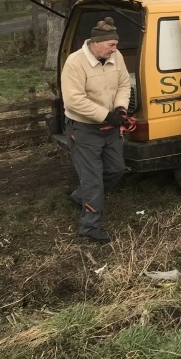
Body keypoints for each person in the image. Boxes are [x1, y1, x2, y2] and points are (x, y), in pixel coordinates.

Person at [61, 17, 131, 243]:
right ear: (96, 43)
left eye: (116, 44)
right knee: (93, 180)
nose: (115, 49)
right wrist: (105, 115)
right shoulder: (75, 62)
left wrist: (120, 109)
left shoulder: (115, 57)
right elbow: (73, 101)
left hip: (110, 128)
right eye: (111, 44)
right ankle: (89, 226)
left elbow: (123, 84)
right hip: (84, 130)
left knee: (116, 169)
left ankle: (80, 197)